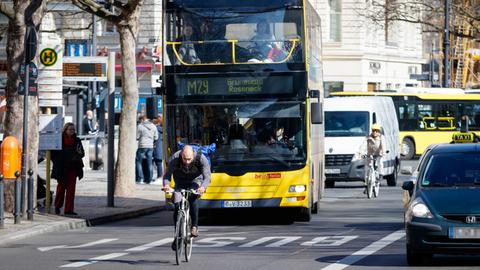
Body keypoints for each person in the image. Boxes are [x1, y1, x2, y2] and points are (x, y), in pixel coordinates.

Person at [162, 145, 211, 249]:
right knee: (177, 206)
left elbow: (207, 177)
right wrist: (166, 185)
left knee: (192, 198)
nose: (187, 162)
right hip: (180, 181)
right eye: (184, 159)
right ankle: (177, 236)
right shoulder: (175, 158)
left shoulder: (201, 158)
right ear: (181, 155)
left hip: (195, 181)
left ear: (193, 155)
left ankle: (194, 226)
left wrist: (202, 187)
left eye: (189, 159)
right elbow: (167, 175)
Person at [51, 122, 85, 216]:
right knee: (61, 188)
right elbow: (53, 155)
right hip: (62, 167)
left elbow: (82, 153)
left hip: (73, 167)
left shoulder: (77, 140)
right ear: (65, 130)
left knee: (71, 190)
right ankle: (57, 206)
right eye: (70, 129)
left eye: (73, 130)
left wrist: (79, 153)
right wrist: (58, 162)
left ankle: (69, 209)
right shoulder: (60, 139)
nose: (72, 131)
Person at [359, 123, 385, 191]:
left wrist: (383, 152)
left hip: (378, 154)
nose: (375, 132)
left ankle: (381, 174)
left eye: (376, 131)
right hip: (370, 154)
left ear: (379, 131)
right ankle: (366, 184)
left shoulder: (381, 137)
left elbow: (383, 146)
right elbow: (363, 145)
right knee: (367, 168)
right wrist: (361, 153)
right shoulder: (368, 137)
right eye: (373, 130)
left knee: (380, 162)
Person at [136, 115, 159, 184]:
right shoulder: (154, 126)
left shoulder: (140, 126)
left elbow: (137, 136)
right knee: (149, 163)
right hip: (150, 146)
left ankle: (141, 178)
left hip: (142, 146)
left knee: (138, 162)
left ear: (142, 119)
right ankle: (149, 179)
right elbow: (156, 137)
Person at [152, 114, 164, 183]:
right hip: (160, 147)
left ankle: (159, 177)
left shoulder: (156, 128)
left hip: (157, 147)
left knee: (158, 162)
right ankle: (159, 176)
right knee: (158, 162)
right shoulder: (162, 128)